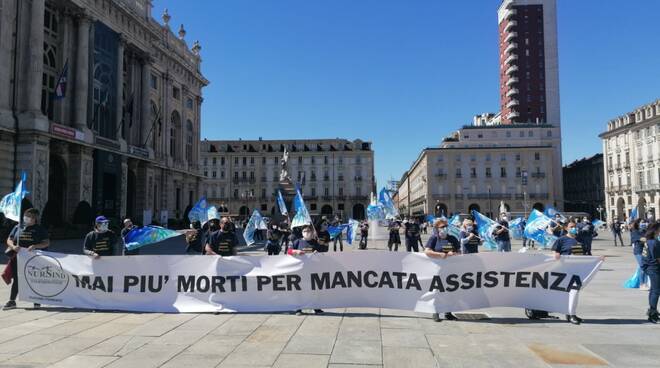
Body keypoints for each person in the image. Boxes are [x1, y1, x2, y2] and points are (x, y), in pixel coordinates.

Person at [2, 208, 49, 310]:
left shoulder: (40, 229)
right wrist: (13, 247)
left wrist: (35, 246)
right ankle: (12, 301)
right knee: (17, 279)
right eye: (26, 215)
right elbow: (9, 239)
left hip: (33, 259)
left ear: (35, 218)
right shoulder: (18, 227)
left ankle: (36, 301)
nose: (27, 218)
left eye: (30, 216)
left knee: (33, 279)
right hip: (17, 257)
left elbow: (46, 243)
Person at [424, 218, 461, 322]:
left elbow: (459, 252)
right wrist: (440, 255)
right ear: (437, 228)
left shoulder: (453, 239)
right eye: (442, 227)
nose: (445, 228)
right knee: (437, 291)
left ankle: (448, 313)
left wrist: (453, 254)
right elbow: (427, 251)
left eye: (446, 226)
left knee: (450, 291)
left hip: (451, 270)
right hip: (437, 270)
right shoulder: (434, 239)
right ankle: (435, 312)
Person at [551, 221, 586, 325]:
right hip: (565, 271)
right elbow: (554, 251)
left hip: (577, 270)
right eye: (571, 227)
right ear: (566, 228)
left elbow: (584, 254)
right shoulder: (561, 239)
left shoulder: (579, 239)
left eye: (575, 226)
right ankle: (571, 314)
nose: (574, 228)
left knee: (574, 293)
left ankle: (571, 313)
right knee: (571, 293)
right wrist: (556, 254)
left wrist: (597, 259)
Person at [288, 225, 327, 315]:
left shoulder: (315, 242)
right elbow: (288, 251)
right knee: (299, 290)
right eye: (305, 231)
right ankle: (298, 309)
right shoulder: (297, 242)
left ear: (312, 232)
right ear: (302, 233)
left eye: (309, 231)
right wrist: (295, 252)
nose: (307, 232)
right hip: (300, 270)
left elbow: (322, 253)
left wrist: (317, 253)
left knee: (314, 290)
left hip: (312, 270)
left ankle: (316, 307)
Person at [641, 222, 660, 323]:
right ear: (656, 230)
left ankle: (652, 311)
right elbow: (657, 258)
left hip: (648, 267)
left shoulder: (649, 241)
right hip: (654, 267)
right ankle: (653, 313)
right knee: (656, 291)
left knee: (654, 290)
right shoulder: (654, 242)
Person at [631, 219, 650, 290]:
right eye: (642, 222)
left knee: (645, 267)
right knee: (643, 266)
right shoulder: (635, 232)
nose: (644, 224)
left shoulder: (645, 231)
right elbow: (642, 239)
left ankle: (645, 283)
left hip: (645, 251)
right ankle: (642, 284)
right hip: (638, 251)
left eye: (645, 222)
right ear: (638, 224)